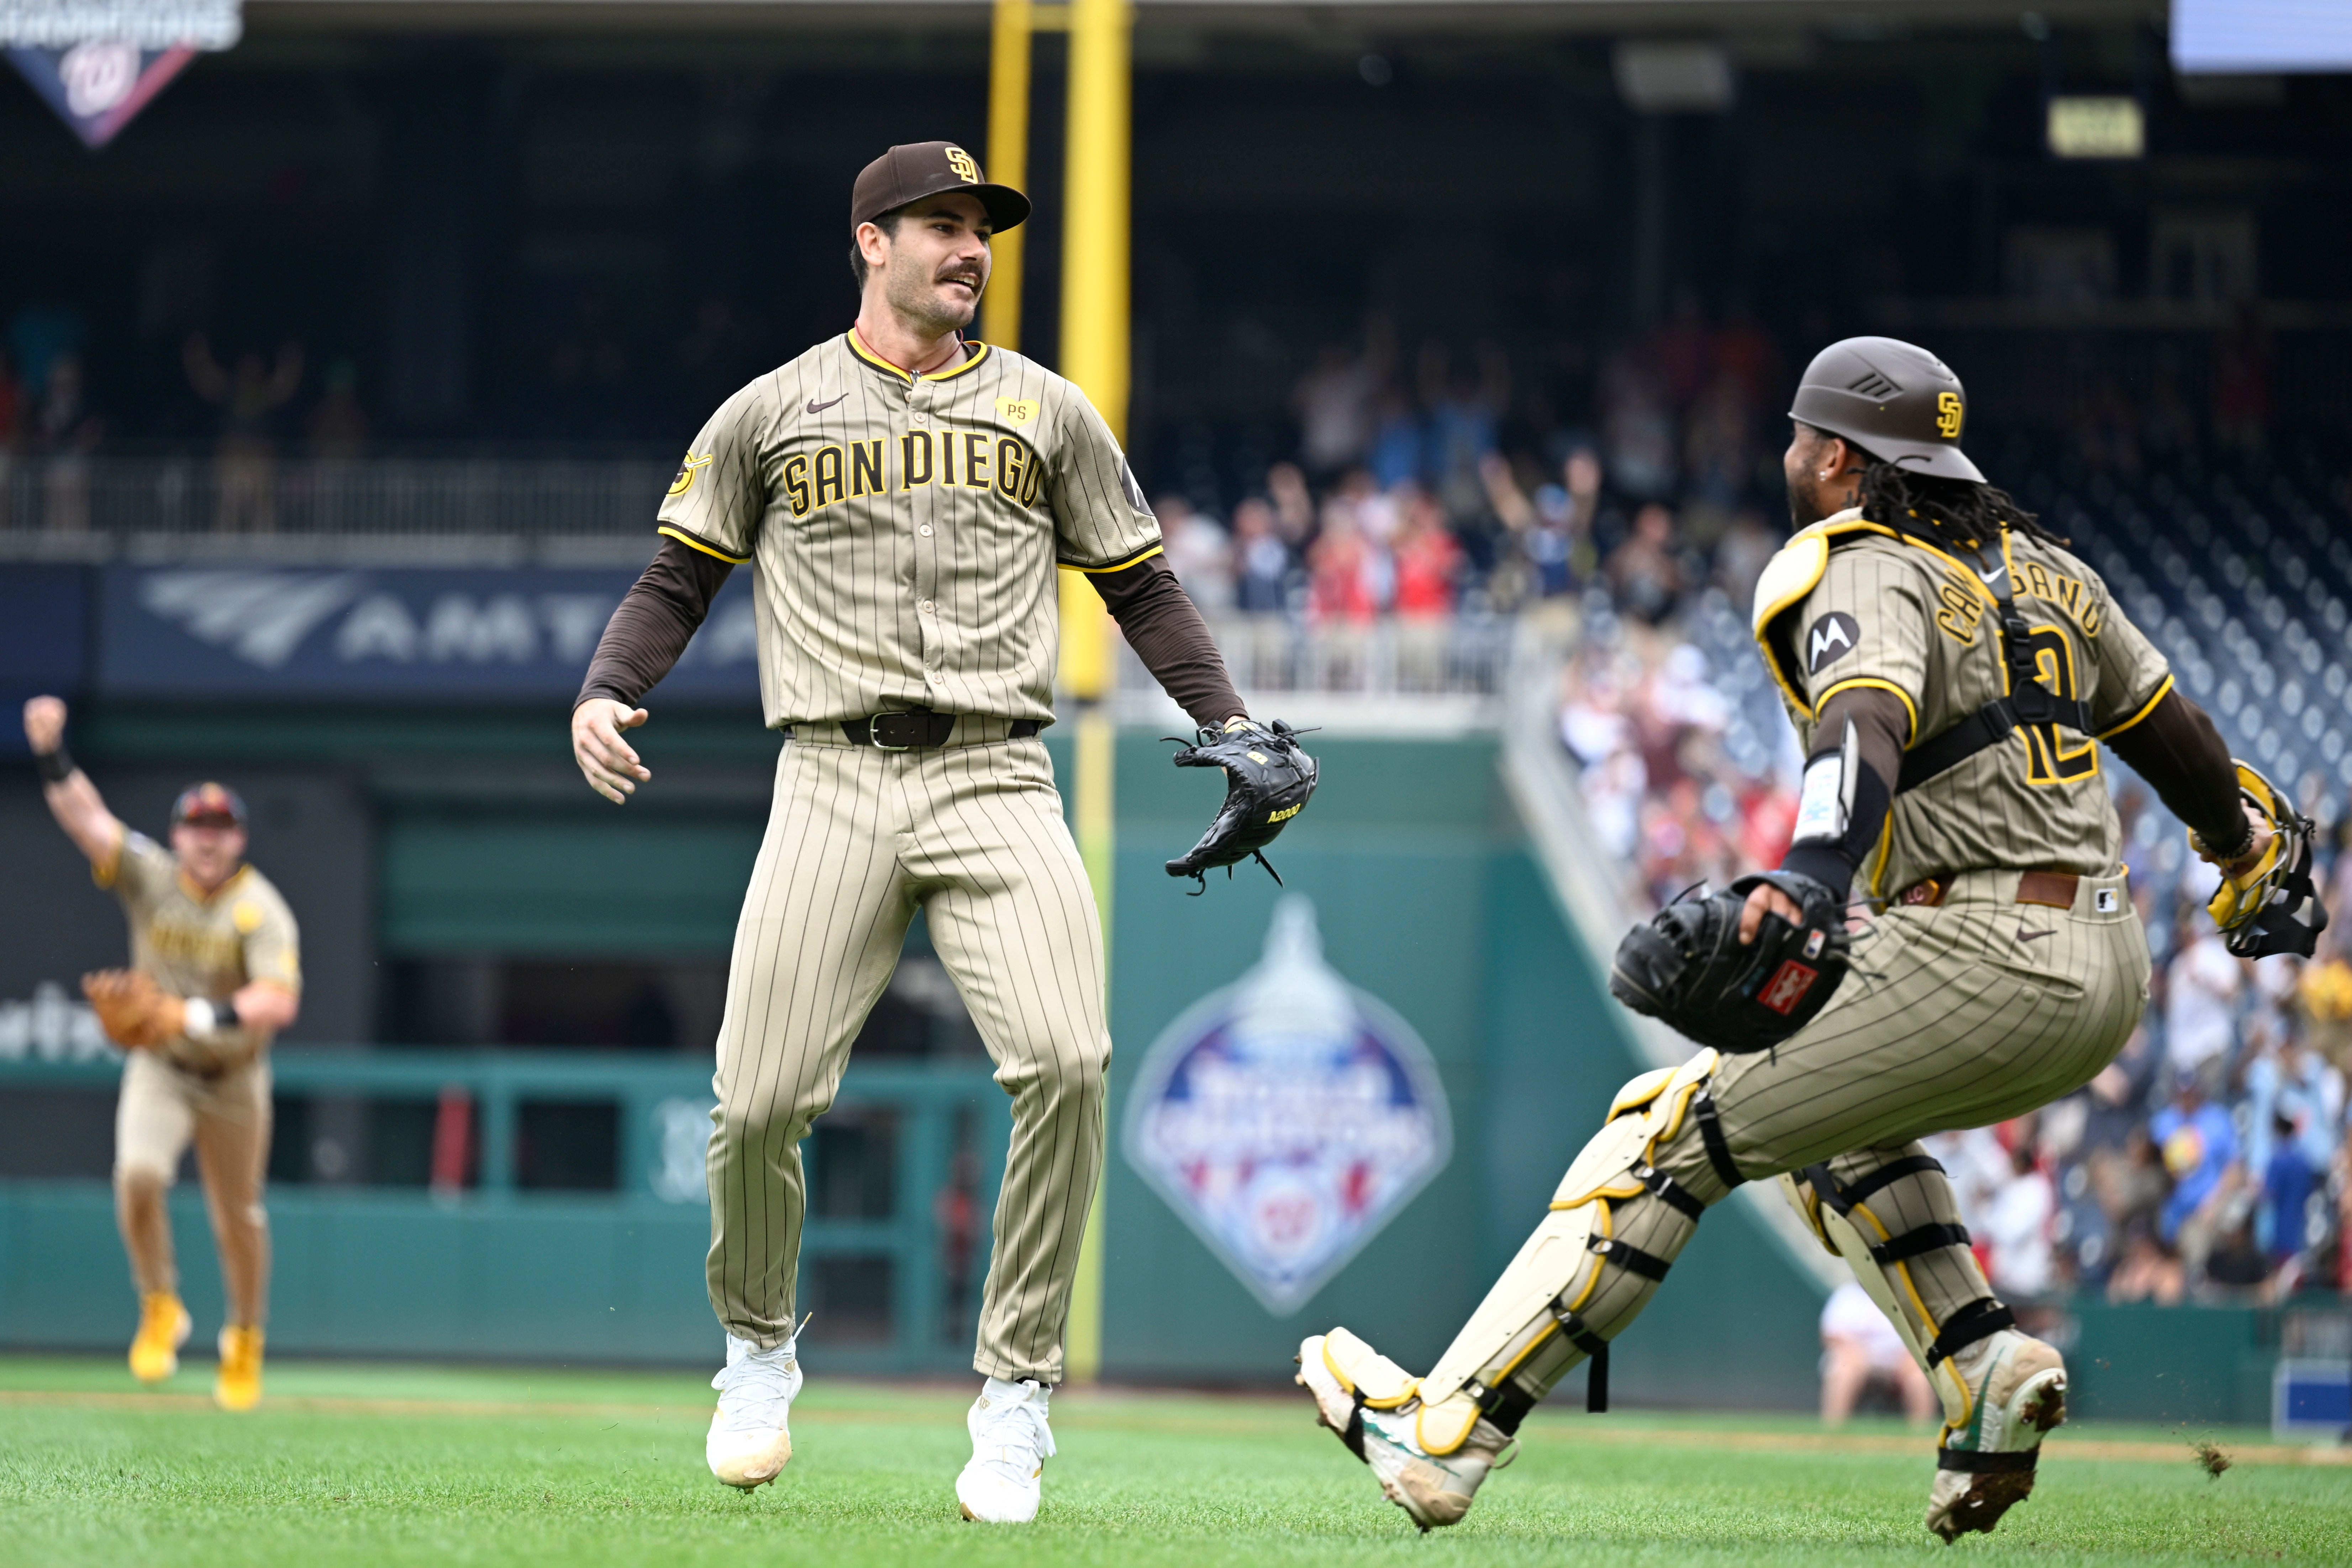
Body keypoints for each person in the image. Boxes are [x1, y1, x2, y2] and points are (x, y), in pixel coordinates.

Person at [1294, 336, 2291, 1541]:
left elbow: (1861, 722)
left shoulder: (1861, 560)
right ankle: (1979, 1363)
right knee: (1827, 1133)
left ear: (1835, 456)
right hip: (2102, 957)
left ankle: (1447, 1428)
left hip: (1976, 946)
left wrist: (1811, 878)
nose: (1783, 455)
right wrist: (2241, 853)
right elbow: (2169, 730)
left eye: (1791, 435)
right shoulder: (2050, 570)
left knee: (1660, 1134)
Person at [568, 141, 1265, 1525]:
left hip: (998, 776)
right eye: (939, 225)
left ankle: (1013, 1396)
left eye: (980, 228)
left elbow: (1140, 587)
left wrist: (1228, 718)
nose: (968, 248)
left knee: (1066, 1058)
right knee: (758, 1099)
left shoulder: (1048, 412)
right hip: (828, 774)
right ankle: (757, 1347)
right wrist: (606, 689)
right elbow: (676, 575)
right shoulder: (770, 412)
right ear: (869, 243)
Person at [21, 697, 300, 1411]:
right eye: (196, 826)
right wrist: (54, 754)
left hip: (234, 1074)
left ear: (238, 839)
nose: (207, 840)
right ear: (178, 834)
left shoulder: (260, 907)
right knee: (138, 1175)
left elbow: (279, 1000)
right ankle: (160, 1304)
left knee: (237, 1217)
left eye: (221, 828)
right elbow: (87, 821)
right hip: (162, 1066)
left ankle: (244, 1340)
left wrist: (197, 1012)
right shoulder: (151, 874)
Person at [1819, 1279, 1936, 1426]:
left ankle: (1921, 1436)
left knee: (1919, 1375)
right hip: (1859, 1361)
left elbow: (1923, 1336)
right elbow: (1832, 1335)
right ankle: (1833, 1430)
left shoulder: (1905, 1294)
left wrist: (1912, 1355)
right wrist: (1854, 1353)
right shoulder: (1848, 1295)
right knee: (1843, 1368)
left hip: (1899, 1361)